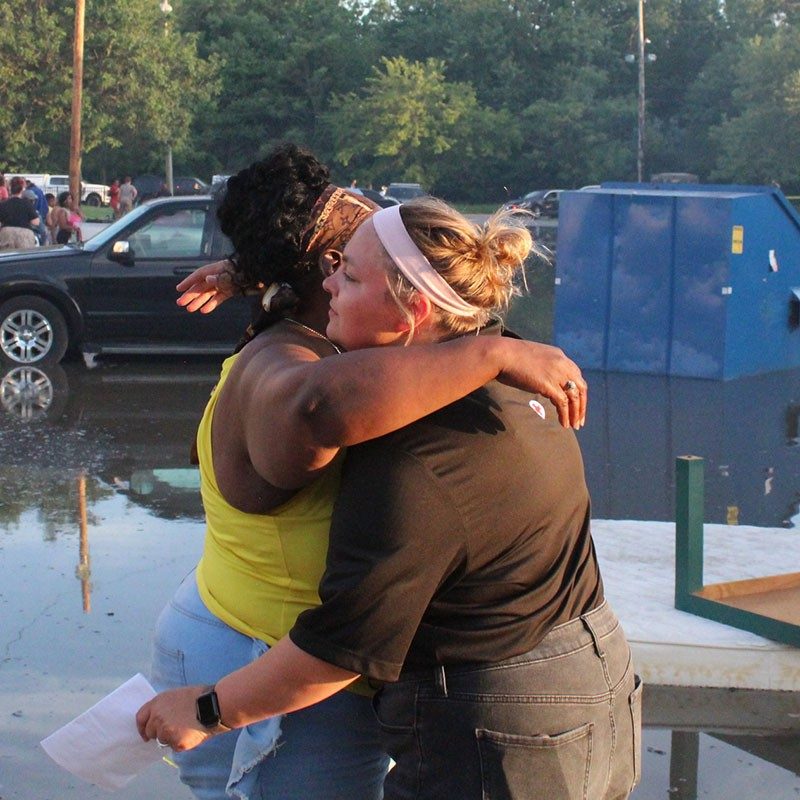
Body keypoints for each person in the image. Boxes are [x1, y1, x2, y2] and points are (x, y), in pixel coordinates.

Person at [138, 197, 638, 800]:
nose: (328, 286)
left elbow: (344, 646)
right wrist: (255, 269)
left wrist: (208, 708)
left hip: (507, 730)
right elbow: (403, 240)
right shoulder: (519, 377)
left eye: (346, 276)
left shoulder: (414, 457)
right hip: (601, 683)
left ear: (412, 312)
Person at [0, 175, 39, 250]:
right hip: (25, 233)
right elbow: (36, 222)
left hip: (6, 233)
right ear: (22, 189)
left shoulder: (3, 204)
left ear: (10, 189)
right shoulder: (27, 204)